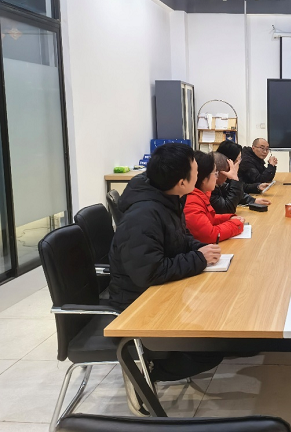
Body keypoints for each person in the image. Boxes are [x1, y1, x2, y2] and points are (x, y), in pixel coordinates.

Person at [108, 143, 224, 413]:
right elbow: (149, 272)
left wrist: (200, 249)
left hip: (160, 294)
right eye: (195, 170)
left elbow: (177, 239)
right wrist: (198, 259)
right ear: (182, 182)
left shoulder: (167, 198)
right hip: (139, 305)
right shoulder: (143, 215)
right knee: (211, 348)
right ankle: (144, 372)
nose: (199, 173)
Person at [184, 150, 245, 244]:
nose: (216, 177)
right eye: (215, 173)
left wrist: (228, 218)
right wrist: (236, 224)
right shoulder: (191, 202)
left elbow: (207, 218)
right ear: (204, 179)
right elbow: (209, 235)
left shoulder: (202, 194)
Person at [211, 142, 271, 214]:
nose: (240, 162)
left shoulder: (221, 181)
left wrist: (252, 200)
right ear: (229, 161)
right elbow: (228, 209)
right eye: (238, 160)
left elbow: (232, 190)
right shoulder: (212, 183)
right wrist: (234, 178)